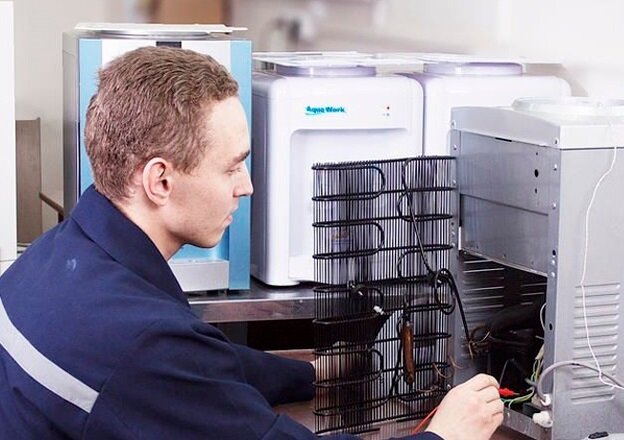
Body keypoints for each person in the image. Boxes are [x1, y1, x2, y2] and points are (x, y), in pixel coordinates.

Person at [0, 46, 503, 439]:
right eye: (232, 166)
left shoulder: (50, 260)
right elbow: (169, 367)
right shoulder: (141, 342)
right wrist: (445, 435)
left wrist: (316, 373)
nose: (247, 186)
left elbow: (197, 372)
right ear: (160, 180)